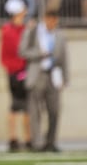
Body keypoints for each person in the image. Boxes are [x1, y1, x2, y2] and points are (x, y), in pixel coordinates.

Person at [19, 9, 68, 153]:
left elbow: (64, 58)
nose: (51, 23)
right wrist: (39, 54)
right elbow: (22, 51)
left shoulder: (60, 35)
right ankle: (37, 143)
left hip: (53, 75)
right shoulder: (34, 32)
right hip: (37, 74)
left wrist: (65, 78)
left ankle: (51, 141)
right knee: (35, 111)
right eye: (49, 19)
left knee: (54, 110)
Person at [0, 0, 31, 152]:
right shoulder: (9, 30)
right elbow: (18, 49)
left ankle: (27, 137)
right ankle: (16, 138)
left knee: (25, 106)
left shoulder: (21, 29)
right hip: (16, 71)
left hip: (22, 70)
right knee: (17, 105)